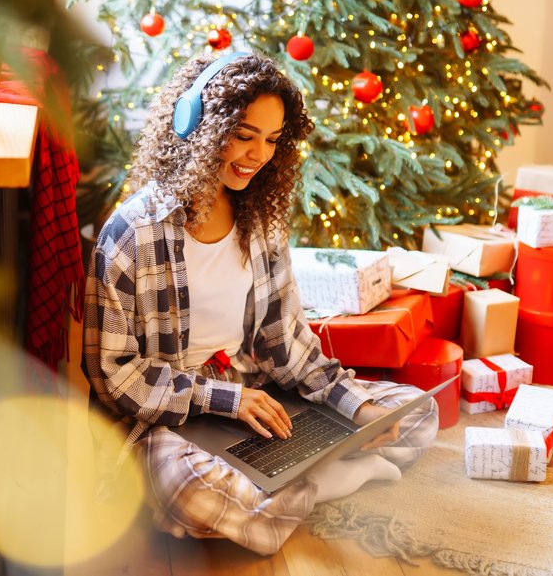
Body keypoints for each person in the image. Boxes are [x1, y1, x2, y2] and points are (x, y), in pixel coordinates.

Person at [82, 51, 438, 556]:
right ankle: (327, 476)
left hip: (256, 398)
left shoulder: (261, 220)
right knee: (214, 497)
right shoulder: (132, 232)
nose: (257, 155)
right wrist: (226, 400)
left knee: (416, 415)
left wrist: (355, 408)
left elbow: (288, 344)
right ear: (195, 127)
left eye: (272, 141)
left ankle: (296, 475)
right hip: (169, 419)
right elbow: (113, 375)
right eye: (244, 136)